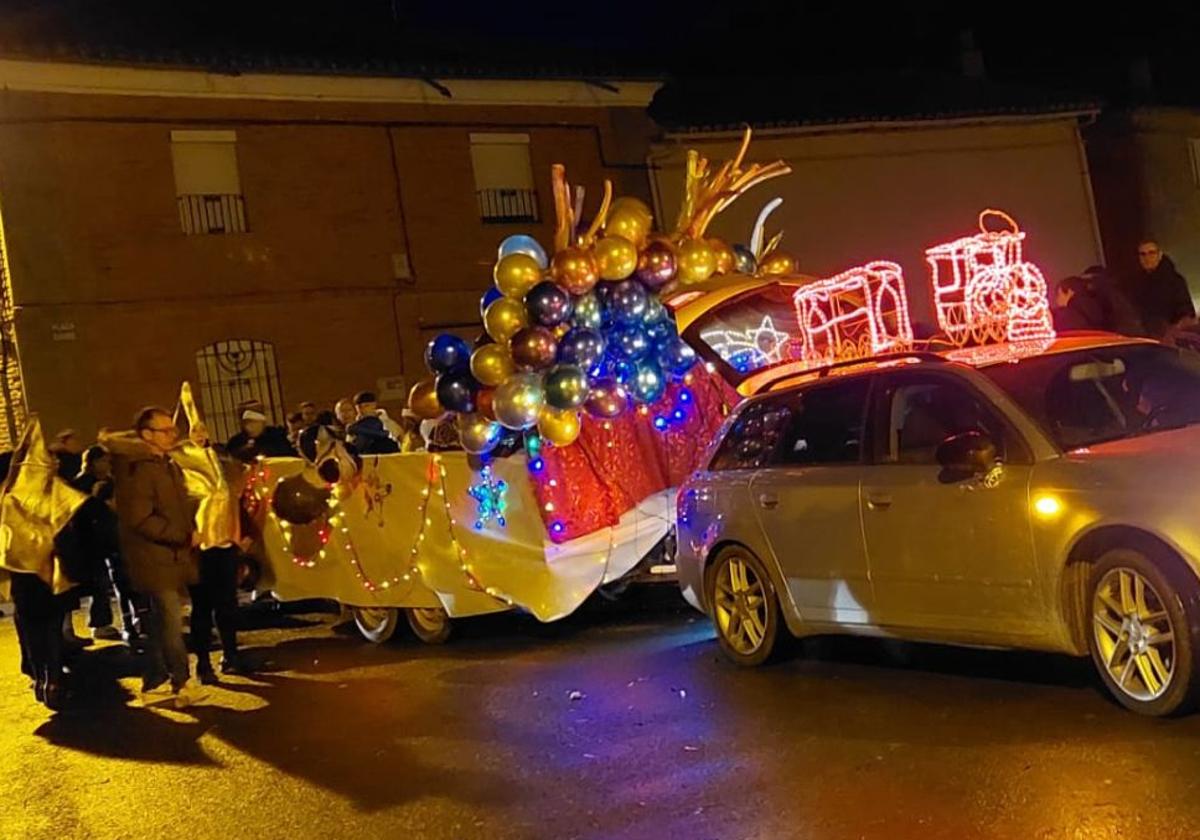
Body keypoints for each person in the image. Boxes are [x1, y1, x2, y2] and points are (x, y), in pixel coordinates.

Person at [104, 408, 201, 707]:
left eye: (173, 429)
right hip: (152, 558)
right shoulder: (139, 469)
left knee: (161, 623)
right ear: (147, 435)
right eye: (166, 430)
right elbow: (140, 518)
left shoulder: (165, 464)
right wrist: (181, 535)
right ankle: (182, 683)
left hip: (170, 557)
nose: (173, 435)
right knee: (171, 621)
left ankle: (154, 680)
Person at [179, 421, 252, 683]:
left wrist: (245, 532)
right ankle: (203, 664)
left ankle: (230, 655)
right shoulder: (182, 469)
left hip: (226, 546)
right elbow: (179, 507)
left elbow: (233, 499)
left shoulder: (221, 465)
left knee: (227, 606)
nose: (200, 435)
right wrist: (188, 533)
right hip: (200, 549)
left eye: (203, 430)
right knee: (202, 609)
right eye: (194, 431)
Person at [68, 446, 125, 643]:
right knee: (99, 582)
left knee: (115, 579)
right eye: (103, 461)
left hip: (110, 536)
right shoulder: (81, 484)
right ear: (92, 462)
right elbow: (78, 512)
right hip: (90, 540)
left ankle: (118, 620)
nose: (106, 465)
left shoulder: (108, 481)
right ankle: (99, 623)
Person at [1129, 239, 1196, 338]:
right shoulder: (1135, 283)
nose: (1147, 258)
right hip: (1146, 338)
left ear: (1159, 255)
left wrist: (1172, 332)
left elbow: (1186, 313)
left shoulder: (1174, 281)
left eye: (1151, 253)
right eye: (1143, 254)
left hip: (1170, 339)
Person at [1081, 265, 1143, 335]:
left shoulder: (1107, 295)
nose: (1085, 285)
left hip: (1124, 336)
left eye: (1089, 281)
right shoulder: (1112, 293)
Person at [225, 407, 295, 463]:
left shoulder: (276, 435)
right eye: (248, 423)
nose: (251, 427)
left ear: (262, 423)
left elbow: (287, 454)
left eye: (255, 423)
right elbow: (232, 458)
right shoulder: (237, 441)